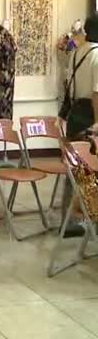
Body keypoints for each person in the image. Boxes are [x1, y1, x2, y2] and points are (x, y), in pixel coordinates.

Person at [61, 13, 98, 237]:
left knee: (73, 168)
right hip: (89, 116)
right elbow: (96, 94)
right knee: (92, 169)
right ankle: (91, 217)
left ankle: (68, 219)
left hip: (74, 115)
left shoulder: (76, 53)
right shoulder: (97, 55)